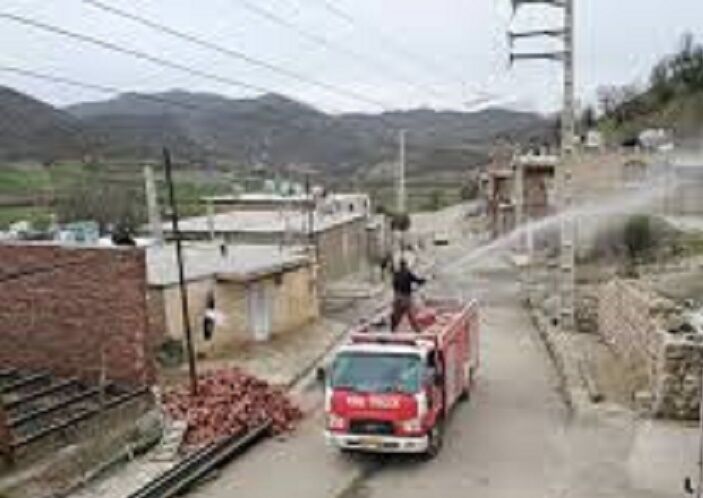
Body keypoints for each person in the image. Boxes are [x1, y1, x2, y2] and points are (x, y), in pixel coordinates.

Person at [390, 259, 426, 332]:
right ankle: (418, 332)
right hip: (406, 298)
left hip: (397, 297)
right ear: (405, 265)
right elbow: (417, 281)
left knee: (396, 315)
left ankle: (392, 331)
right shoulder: (408, 273)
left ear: (400, 266)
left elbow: (394, 285)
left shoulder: (396, 274)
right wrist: (424, 280)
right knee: (411, 315)